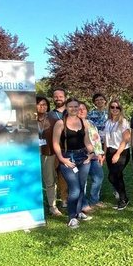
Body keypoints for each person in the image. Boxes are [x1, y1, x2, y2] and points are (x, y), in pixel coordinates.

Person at [52, 98, 95, 229]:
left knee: (81, 187)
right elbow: (55, 143)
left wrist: (91, 153)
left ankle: (79, 211)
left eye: (76, 106)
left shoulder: (84, 122)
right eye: (71, 106)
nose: (74, 109)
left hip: (83, 157)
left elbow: (87, 140)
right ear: (66, 107)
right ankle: (72, 217)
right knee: (74, 189)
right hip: (68, 159)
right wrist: (62, 159)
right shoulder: (60, 123)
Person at [77, 102, 105, 212]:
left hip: (95, 156)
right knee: (82, 182)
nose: (81, 111)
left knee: (98, 178)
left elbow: (96, 139)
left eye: (83, 109)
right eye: (79, 109)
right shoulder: (75, 124)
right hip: (83, 157)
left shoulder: (91, 123)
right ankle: (83, 204)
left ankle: (94, 201)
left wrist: (100, 153)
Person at [36, 96, 61, 216]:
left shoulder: (52, 119)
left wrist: (57, 155)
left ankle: (52, 206)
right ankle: (34, 205)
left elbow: (58, 139)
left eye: (45, 104)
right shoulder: (28, 119)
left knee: (50, 180)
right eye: (39, 104)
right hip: (32, 155)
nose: (42, 106)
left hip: (48, 153)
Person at [104, 100, 131, 210]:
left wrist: (118, 154)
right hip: (110, 151)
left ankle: (123, 198)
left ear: (120, 109)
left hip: (122, 152)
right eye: (112, 107)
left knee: (112, 176)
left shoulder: (123, 122)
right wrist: (104, 154)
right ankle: (123, 199)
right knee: (117, 176)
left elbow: (126, 139)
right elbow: (105, 140)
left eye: (117, 107)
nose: (115, 109)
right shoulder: (108, 122)